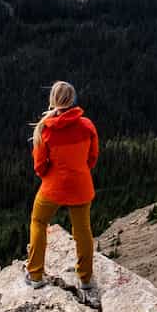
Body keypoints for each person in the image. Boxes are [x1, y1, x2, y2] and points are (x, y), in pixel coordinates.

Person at [27, 79, 100, 299]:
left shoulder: (45, 130)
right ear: (73, 100)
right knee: (83, 231)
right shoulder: (87, 126)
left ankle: (36, 275)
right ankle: (85, 279)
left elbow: (39, 166)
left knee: (39, 222)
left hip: (53, 187)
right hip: (80, 184)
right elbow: (92, 158)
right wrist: (79, 171)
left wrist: (51, 175)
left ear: (53, 101)